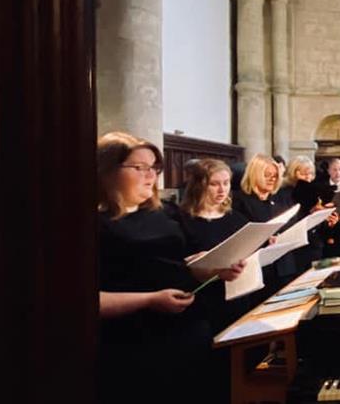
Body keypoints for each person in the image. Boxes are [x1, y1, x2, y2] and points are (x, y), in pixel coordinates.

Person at [96, 132, 243, 404]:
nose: (150, 175)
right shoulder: (96, 222)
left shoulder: (165, 212)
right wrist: (149, 300)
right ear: (107, 170)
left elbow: (182, 265)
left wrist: (213, 269)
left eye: (154, 167)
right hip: (137, 344)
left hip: (190, 330)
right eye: (139, 168)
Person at [177, 158, 253, 334]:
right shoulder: (181, 220)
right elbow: (178, 265)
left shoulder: (238, 219)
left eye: (226, 183)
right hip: (203, 304)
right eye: (214, 184)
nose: (222, 189)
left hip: (237, 296)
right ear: (198, 185)